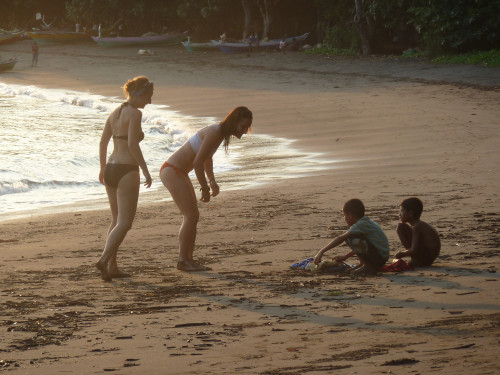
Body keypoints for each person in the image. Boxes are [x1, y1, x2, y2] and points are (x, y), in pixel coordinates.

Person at [160, 106, 253, 272]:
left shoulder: (219, 133)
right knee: (190, 216)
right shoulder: (215, 131)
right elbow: (197, 162)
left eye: (247, 127)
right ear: (234, 122)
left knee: (193, 216)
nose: (245, 131)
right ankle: (183, 260)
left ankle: (188, 259)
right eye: (243, 127)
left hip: (178, 172)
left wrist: (212, 181)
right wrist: (203, 187)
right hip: (173, 171)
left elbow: (206, 158)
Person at [96, 76, 153, 281]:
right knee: (125, 223)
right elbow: (132, 145)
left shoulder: (114, 113)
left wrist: (102, 168)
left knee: (116, 220)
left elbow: (103, 143)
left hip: (111, 167)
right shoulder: (135, 114)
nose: (149, 101)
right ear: (139, 95)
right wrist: (145, 170)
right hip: (127, 169)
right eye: (148, 97)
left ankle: (112, 266)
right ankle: (103, 260)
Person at [314, 199, 390, 274]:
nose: (344, 218)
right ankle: (363, 264)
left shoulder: (360, 224)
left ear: (350, 215)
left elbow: (341, 238)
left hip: (378, 259)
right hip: (381, 257)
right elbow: (363, 246)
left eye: (344, 215)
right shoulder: (366, 222)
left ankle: (368, 266)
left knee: (350, 237)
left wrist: (322, 251)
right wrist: (346, 256)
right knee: (352, 237)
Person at [395, 197, 441, 267]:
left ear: (410, 213)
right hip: (427, 255)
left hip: (427, 258)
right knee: (401, 227)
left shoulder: (417, 226)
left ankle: (417, 260)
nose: (399, 214)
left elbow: (413, 250)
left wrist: (401, 254)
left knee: (400, 227)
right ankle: (416, 259)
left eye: (402, 211)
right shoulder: (417, 225)